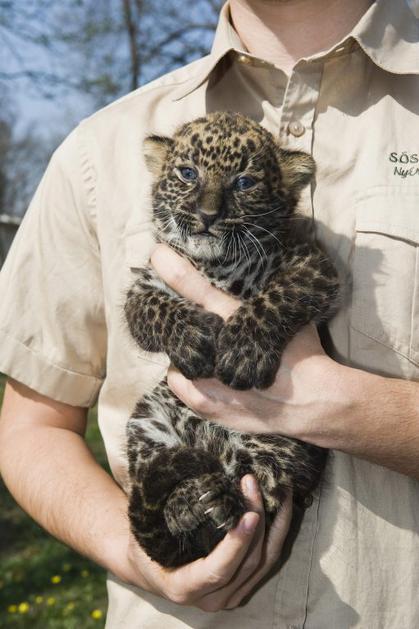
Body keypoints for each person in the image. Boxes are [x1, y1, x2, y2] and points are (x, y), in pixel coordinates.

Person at [0, 0, 418, 626]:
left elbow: (312, 280)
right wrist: (133, 551)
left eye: (240, 186)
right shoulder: (96, 149)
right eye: (190, 180)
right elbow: (34, 427)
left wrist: (340, 406)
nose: (208, 206)